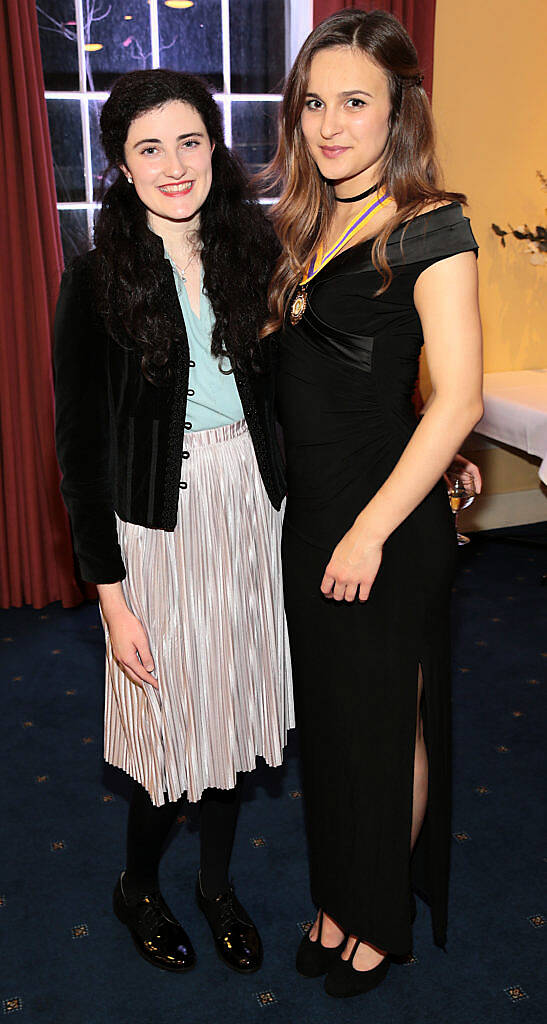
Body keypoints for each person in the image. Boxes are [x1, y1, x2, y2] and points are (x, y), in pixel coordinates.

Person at [262, 9, 483, 998]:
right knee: (335, 725)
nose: (330, 123)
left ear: (398, 111)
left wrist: (372, 525)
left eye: (355, 101)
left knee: (389, 721)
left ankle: (374, 911)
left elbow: (462, 394)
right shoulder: (303, 221)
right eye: (315, 102)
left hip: (380, 530)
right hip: (313, 516)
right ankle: (339, 888)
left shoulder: (432, 224)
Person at [54, 69, 293, 975]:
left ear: (214, 147)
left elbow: (304, 390)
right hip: (155, 523)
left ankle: (216, 886)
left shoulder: (254, 249)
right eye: (148, 148)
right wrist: (110, 601)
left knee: (231, 717)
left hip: (252, 509)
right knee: (168, 732)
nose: (173, 163)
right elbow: (78, 451)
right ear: (120, 163)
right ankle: (139, 887)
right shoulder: (97, 277)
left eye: (188, 141)